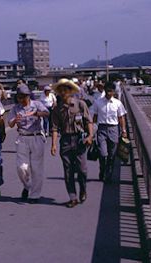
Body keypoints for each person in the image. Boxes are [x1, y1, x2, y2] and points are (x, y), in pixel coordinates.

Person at [51, 78, 93, 208]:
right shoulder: (57, 109)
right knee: (68, 171)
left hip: (80, 140)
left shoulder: (80, 105)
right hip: (65, 141)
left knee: (82, 170)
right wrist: (53, 145)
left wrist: (90, 136)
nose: (63, 92)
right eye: (61, 90)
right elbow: (55, 129)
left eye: (66, 90)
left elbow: (89, 121)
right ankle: (72, 197)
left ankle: (83, 188)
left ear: (70, 91)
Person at [8, 85, 49, 203]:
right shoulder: (16, 108)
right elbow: (10, 124)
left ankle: (35, 195)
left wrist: (36, 114)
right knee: (21, 167)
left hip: (36, 137)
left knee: (36, 168)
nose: (21, 99)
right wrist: (15, 120)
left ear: (28, 95)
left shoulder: (36, 104)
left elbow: (47, 113)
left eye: (23, 97)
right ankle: (27, 186)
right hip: (22, 138)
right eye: (19, 97)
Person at [91, 82, 127, 184]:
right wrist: (92, 130)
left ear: (113, 92)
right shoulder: (98, 102)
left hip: (114, 129)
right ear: (105, 91)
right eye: (107, 91)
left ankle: (109, 173)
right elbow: (94, 117)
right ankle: (102, 169)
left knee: (112, 155)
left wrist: (123, 130)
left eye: (110, 91)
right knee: (103, 153)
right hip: (101, 129)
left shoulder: (117, 103)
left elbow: (121, 117)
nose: (108, 93)